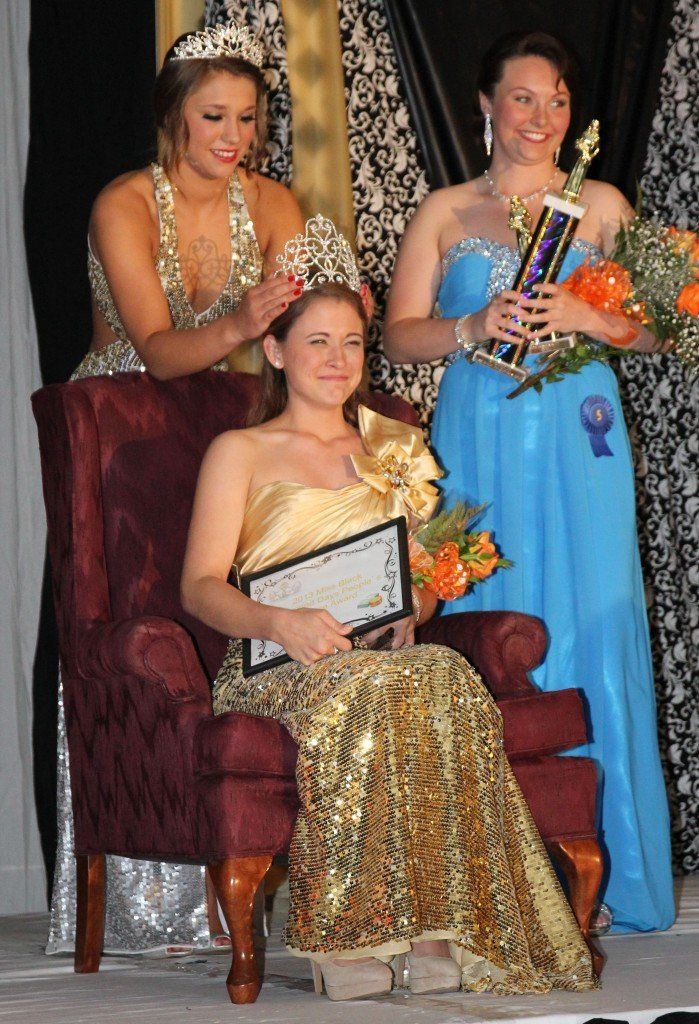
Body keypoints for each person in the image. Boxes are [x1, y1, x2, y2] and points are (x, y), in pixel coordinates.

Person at [180, 214, 596, 1000]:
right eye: (315, 342)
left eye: (348, 343)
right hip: (278, 662)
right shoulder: (240, 451)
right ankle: (347, 930)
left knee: (436, 670)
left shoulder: (391, 449)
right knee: (376, 688)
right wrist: (276, 621)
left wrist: (418, 609)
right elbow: (198, 585)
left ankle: (439, 925)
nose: (336, 361)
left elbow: (423, 575)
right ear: (274, 349)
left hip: (378, 658)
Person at [383, 30, 674, 935]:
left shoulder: (600, 206)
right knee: (491, 613)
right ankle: (492, 872)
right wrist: (471, 323)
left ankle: (610, 865)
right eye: (520, 98)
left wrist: (590, 313)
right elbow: (396, 338)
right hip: (481, 433)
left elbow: (665, 332)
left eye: (554, 101)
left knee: (592, 613)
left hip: (580, 436)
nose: (538, 118)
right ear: (483, 104)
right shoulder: (443, 211)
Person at [48, 22, 305, 956]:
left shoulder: (271, 199)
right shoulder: (125, 200)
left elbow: (316, 307)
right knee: (136, 639)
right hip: (118, 433)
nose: (231, 136)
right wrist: (245, 315)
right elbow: (156, 353)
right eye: (212, 116)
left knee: (225, 622)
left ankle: (245, 878)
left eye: (246, 116)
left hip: (220, 422)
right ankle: (136, 904)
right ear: (172, 117)